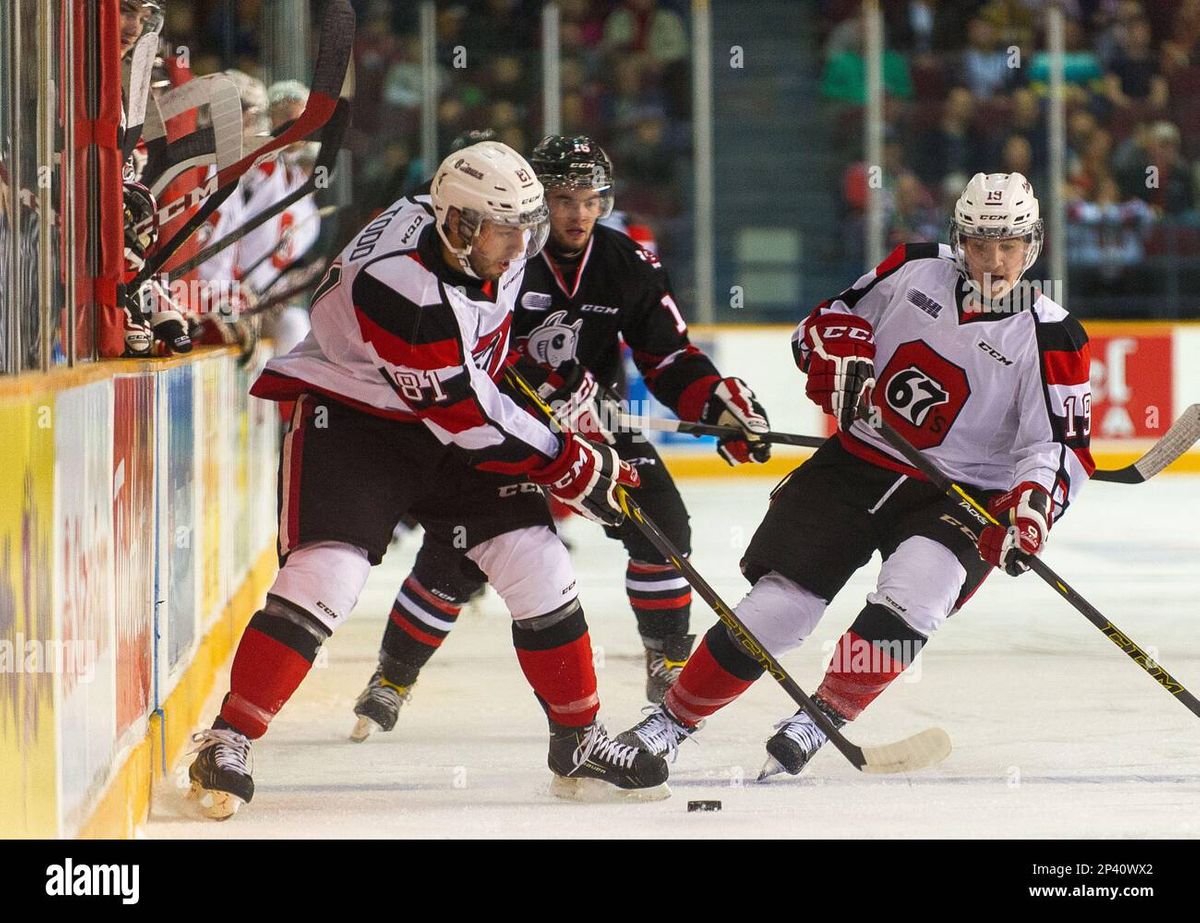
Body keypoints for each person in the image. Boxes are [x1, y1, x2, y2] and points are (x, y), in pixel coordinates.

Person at [185, 141, 670, 818]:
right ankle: (228, 737)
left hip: (445, 409)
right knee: (328, 576)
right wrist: (570, 461)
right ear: (461, 226)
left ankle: (579, 737)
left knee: (537, 559)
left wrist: (554, 390)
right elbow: (467, 416)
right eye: (509, 231)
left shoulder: (473, 232)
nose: (523, 246)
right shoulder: (403, 288)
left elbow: (484, 359)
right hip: (356, 422)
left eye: (528, 228)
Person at [616, 172, 1094, 779]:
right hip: (859, 461)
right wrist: (830, 343)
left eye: (1011, 245)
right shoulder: (914, 268)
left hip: (964, 494)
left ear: (1035, 244)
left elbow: (1061, 450)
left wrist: (1031, 506)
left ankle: (823, 716)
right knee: (778, 608)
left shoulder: (1051, 334)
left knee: (917, 596)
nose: (996, 263)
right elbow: (819, 329)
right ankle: (669, 723)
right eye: (980, 244)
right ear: (958, 239)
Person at [348, 135, 772, 742]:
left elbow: (667, 354)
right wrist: (541, 389)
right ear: (536, 203)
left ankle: (666, 658)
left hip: (599, 426)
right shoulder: (505, 255)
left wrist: (714, 403)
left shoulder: (628, 263)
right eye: (563, 199)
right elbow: (470, 350)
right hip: (510, 428)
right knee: (461, 552)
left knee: (664, 527)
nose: (577, 214)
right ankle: (392, 677)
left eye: (591, 199)